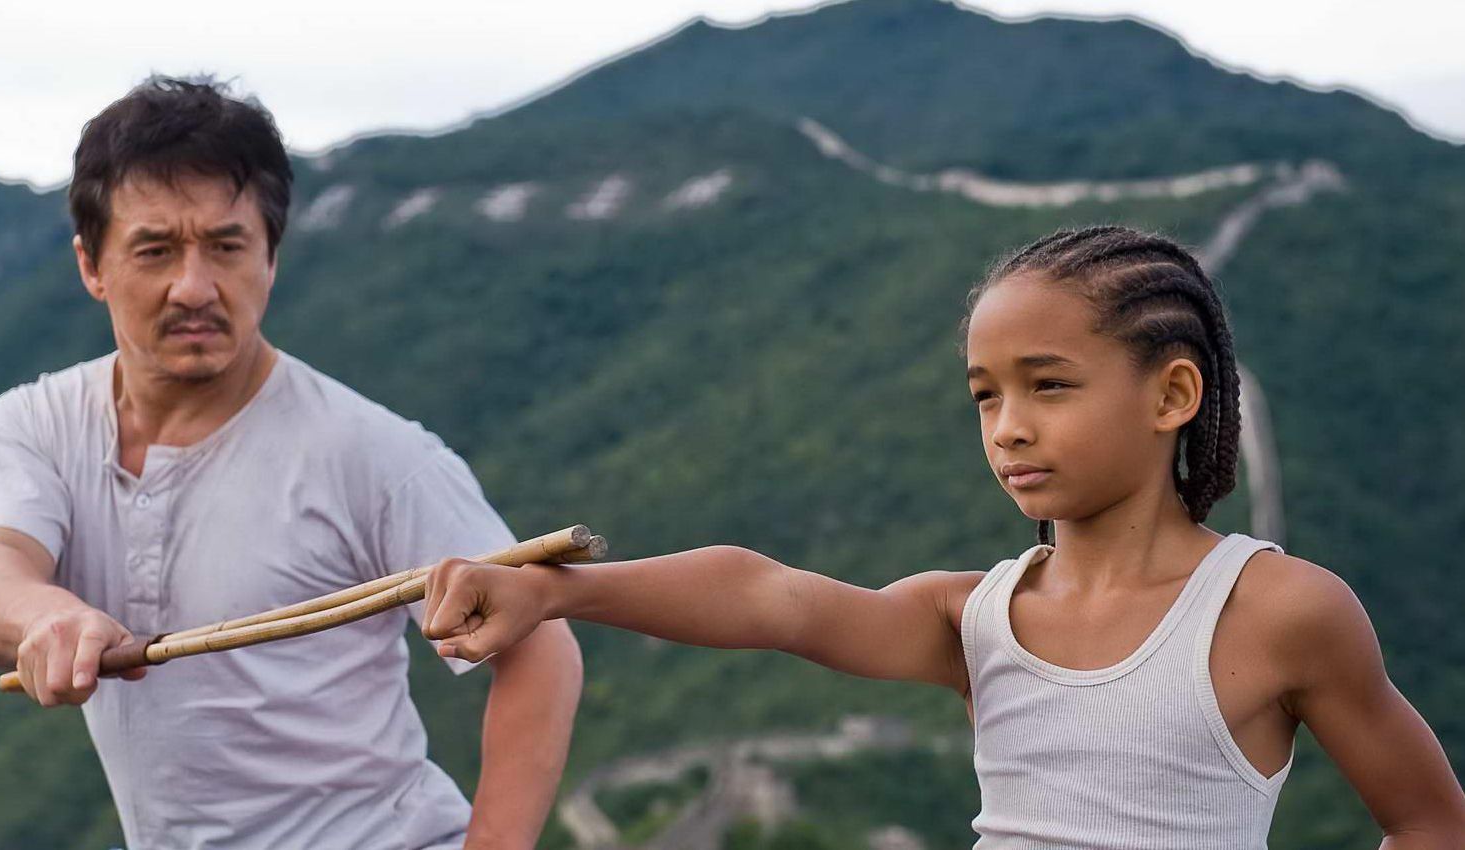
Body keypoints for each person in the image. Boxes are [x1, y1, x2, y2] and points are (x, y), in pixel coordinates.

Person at [423, 226, 1465, 847]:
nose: (1007, 424)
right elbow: (766, 595)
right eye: (983, 395)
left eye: (1047, 386)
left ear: (1172, 393)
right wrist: (554, 593)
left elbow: (1429, 819)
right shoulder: (976, 616)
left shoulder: (1277, 612)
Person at [0, 76, 582, 850]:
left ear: (270, 256)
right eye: (154, 250)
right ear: (92, 265)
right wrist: (47, 617)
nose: (195, 286)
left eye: (226, 246)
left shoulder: (375, 454)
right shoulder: (34, 426)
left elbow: (539, 641)